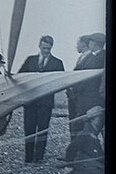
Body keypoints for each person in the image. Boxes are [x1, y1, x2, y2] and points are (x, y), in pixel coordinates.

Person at [17, 35, 64, 163]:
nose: (46, 51)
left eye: (48, 48)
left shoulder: (58, 63)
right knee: (29, 130)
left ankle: (39, 158)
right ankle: (28, 157)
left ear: (51, 47)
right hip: (30, 102)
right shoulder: (30, 60)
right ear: (39, 46)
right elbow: (20, 76)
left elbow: (60, 82)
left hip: (45, 103)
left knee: (43, 130)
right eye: (44, 48)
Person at [68, 31, 105, 136]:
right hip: (83, 101)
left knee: (90, 133)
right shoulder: (90, 57)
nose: (88, 44)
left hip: (93, 102)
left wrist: (74, 89)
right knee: (80, 131)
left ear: (94, 43)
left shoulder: (102, 57)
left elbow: (90, 81)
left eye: (90, 41)